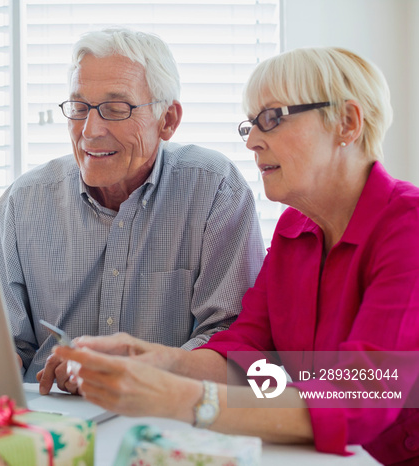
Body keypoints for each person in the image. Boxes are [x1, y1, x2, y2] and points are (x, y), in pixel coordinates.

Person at [53, 46, 419, 465]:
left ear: (347, 123)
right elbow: (248, 357)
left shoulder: (409, 225)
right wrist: (152, 359)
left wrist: (185, 397)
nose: (253, 142)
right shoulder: (293, 231)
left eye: (272, 119)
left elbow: (364, 401)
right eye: (251, 124)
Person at [0, 27, 265, 388]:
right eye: (80, 108)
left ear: (168, 121)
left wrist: (140, 371)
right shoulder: (23, 202)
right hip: (48, 412)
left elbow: (232, 337)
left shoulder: (214, 189)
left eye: (115, 109)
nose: (90, 130)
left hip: (166, 410)